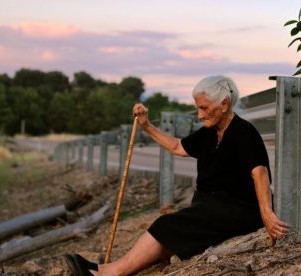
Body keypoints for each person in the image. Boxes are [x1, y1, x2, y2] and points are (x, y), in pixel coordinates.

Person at [66, 75, 289, 276]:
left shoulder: (244, 132)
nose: (200, 115)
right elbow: (177, 147)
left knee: (166, 225)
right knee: (172, 233)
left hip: (238, 210)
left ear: (224, 104)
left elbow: (259, 173)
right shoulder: (210, 132)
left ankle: (109, 274)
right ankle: (105, 268)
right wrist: (146, 126)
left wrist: (267, 214)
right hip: (212, 207)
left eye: (204, 108)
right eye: (198, 109)